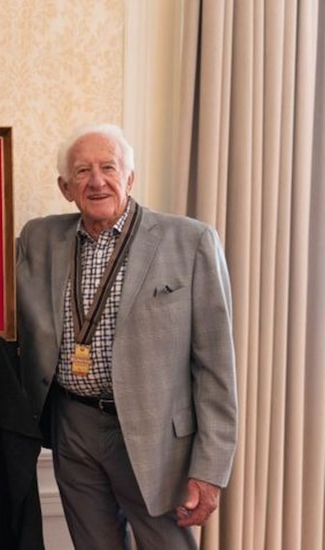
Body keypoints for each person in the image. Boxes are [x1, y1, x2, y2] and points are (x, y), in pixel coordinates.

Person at [16, 123, 237, 549]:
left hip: (155, 435)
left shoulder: (190, 241)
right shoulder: (39, 239)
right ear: (65, 187)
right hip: (72, 424)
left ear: (130, 178)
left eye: (108, 168)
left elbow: (216, 367)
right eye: (82, 172)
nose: (97, 181)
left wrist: (210, 469)